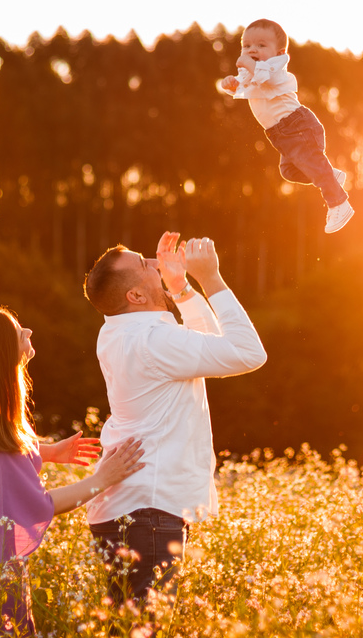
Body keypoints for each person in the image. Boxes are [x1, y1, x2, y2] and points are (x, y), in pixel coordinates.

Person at [0, 305, 146, 638]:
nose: (28, 332)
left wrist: (48, 452)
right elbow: (40, 504)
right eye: (18, 333)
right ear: (1, 358)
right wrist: (102, 479)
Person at [82, 232, 267, 612]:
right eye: (144, 264)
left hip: (130, 509)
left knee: (127, 626)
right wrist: (210, 278)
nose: (156, 263)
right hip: (148, 511)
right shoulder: (154, 340)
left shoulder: (118, 332)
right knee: (145, 629)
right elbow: (248, 353)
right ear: (135, 295)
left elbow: (208, 347)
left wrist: (181, 289)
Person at [220, 18, 354, 233]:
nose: (252, 50)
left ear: (279, 52)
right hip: (282, 135)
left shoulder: (274, 68)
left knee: (311, 166)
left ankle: (339, 203)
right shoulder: (253, 73)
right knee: (288, 171)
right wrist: (231, 84)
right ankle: (329, 174)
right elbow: (245, 87)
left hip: (296, 126)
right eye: (247, 46)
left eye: (261, 45)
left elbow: (264, 77)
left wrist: (248, 63)